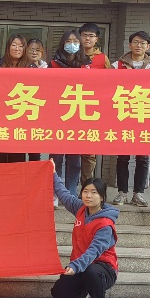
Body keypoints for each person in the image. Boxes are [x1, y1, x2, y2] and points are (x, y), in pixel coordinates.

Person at [51, 173, 119, 298]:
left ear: (102, 197)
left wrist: (75, 266)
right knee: (59, 294)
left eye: (94, 192)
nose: (88, 196)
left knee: (92, 272)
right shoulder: (81, 208)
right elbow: (64, 194)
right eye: (85, 191)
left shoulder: (105, 224)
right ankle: (82, 294)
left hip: (103, 269)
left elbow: (94, 251)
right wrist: (53, 173)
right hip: (81, 267)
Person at [111, 31, 150, 208]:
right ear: (130, 45)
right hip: (123, 116)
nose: (138, 45)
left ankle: (138, 193)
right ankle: (122, 192)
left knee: (143, 158)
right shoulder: (117, 66)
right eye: (135, 42)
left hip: (145, 118)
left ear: (148, 46)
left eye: (142, 43)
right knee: (123, 157)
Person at [48, 29, 90, 195]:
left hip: (78, 116)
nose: (72, 44)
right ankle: (56, 193)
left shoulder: (86, 65)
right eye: (68, 41)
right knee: (56, 158)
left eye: (75, 41)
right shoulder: (53, 65)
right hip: (57, 117)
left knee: (75, 160)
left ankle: (71, 194)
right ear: (62, 44)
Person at [78, 23, 110, 183]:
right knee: (68, 151)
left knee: (89, 153)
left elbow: (111, 83)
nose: (87, 38)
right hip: (71, 107)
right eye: (84, 35)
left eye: (91, 36)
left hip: (92, 110)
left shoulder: (102, 59)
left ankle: (86, 187)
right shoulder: (71, 56)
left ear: (97, 39)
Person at [0, 34, 30, 162]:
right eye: (14, 45)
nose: (17, 48)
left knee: (16, 156)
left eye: (20, 46)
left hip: (20, 115)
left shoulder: (31, 67)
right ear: (8, 47)